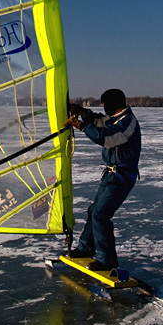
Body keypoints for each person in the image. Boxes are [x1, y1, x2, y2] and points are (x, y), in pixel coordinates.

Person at [64, 89, 141, 270]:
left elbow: (106, 136)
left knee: (101, 214)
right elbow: (99, 121)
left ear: (114, 104)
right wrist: (82, 113)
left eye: (105, 104)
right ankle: (86, 248)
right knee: (93, 211)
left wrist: (80, 125)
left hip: (122, 177)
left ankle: (107, 260)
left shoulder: (128, 122)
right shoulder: (115, 118)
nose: (103, 107)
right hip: (110, 175)